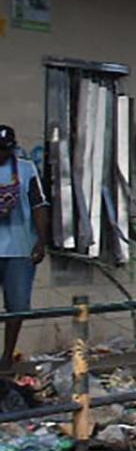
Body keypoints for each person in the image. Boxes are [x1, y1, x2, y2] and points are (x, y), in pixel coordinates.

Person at [0, 126, 48, 375]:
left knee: (17, 306)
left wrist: (41, 241)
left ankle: (7, 357)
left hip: (19, 248)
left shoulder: (26, 169)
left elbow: (39, 205)